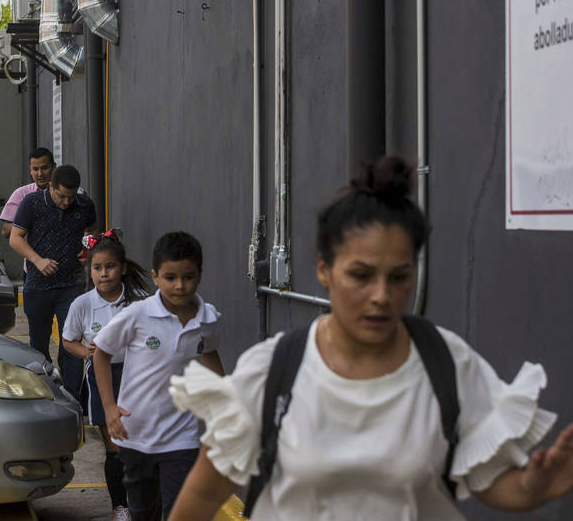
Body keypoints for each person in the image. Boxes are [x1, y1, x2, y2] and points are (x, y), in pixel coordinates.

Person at [168, 156, 573, 520]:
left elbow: (488, 482)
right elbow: (202, 497)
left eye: (399, 277)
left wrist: (532, 488)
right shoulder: (274, 370)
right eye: (361, 276)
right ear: (324, 270)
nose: (381, 295)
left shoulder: (445, 362)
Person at [92, 231, 225, 521]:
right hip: (135, 433)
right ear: (155, 277)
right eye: (170, 277)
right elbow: (100, 353)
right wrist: (109, 408)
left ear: (200, 274)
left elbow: (209, 354)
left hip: (182, 435)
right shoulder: (137, 315)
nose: (180, 285)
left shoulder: (208, 318)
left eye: (188, 277)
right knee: (142, 512)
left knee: (178, 512)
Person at [61, 229, 152, 521]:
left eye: (110, 267)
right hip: (102, 379)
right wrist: (86, 353)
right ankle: (120, 506)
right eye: (97, 268)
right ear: (90, 270)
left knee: (137, 442)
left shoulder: (140, 301)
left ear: (123, 268)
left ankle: (143, 502)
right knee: (114, 445)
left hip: (136, 376)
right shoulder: (83, 304)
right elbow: (68, 341)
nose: (104, 274)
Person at [9, 164, 97, 399]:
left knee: (71, 342)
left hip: (73, 285)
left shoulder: (85, 205)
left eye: (71, 196)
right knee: (38, 343)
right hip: (38, 285)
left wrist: (88, 250)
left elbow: (92, 235)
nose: (67, 202)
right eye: (61, 196)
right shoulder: (32, 203)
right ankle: (43, 393)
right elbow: (15, 239)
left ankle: (71, 397)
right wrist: (38, 261)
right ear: (51, 187)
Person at [0, 147, 56, 239]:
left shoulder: (67, 193)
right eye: (35, 169)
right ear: (30, 170)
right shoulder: (21, 194)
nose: (40, 173)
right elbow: (6, 231)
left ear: (54, 166)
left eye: (44, 168)